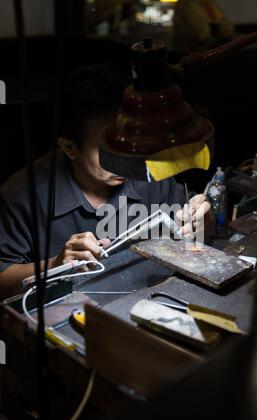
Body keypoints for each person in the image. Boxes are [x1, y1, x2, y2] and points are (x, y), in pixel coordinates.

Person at [0, 63, 213, 299]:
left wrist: (202, 223)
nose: (126, 160)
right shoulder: (21, 195)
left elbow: (189, 230)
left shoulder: (149, 169)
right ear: (70, 148)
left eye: (129, 143)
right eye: (108, 150)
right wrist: (56, 264)